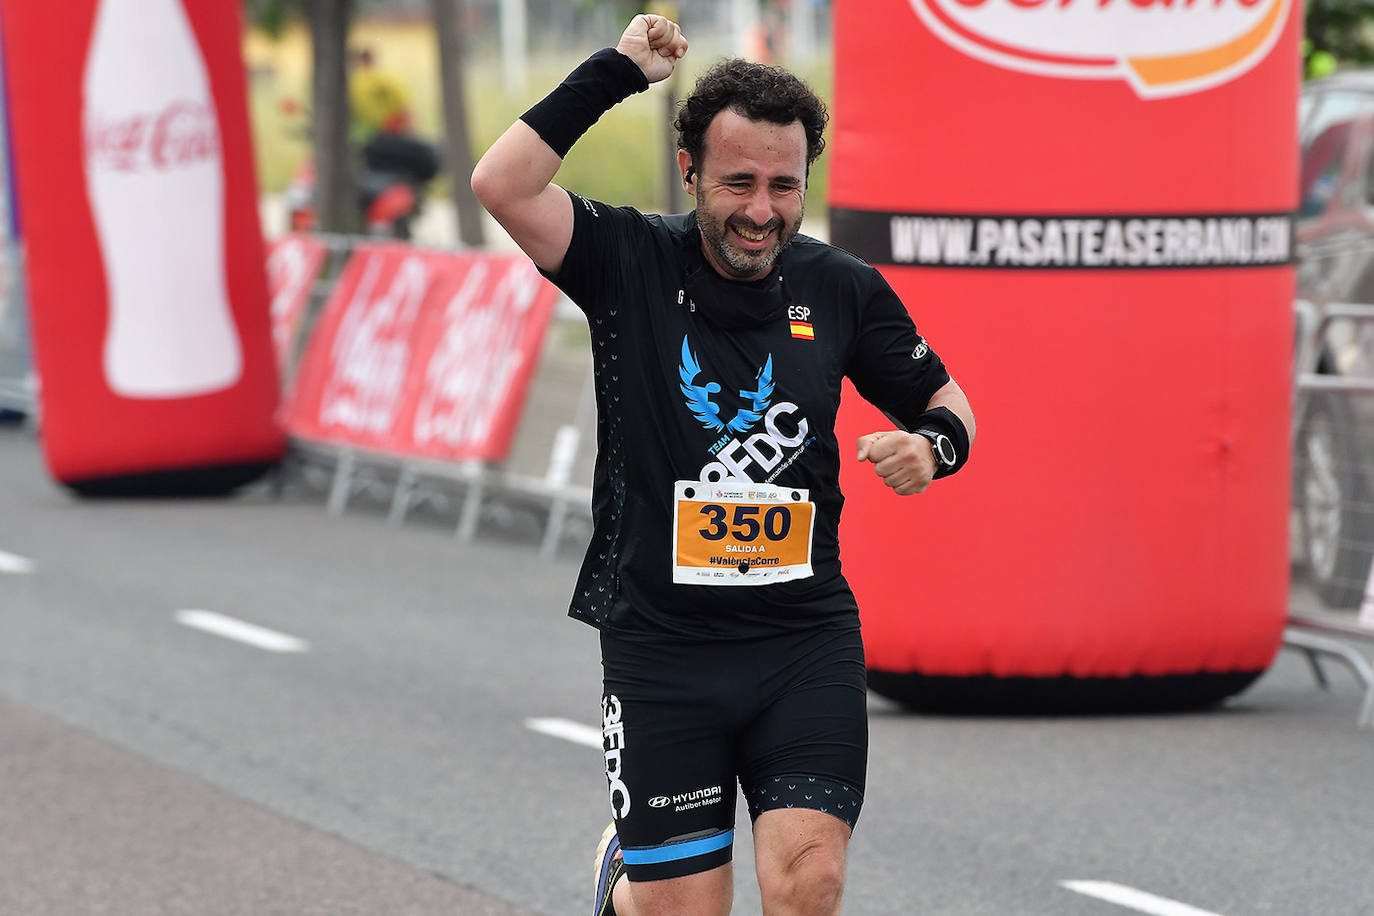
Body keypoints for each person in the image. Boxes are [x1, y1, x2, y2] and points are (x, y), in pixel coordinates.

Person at [471, 15, 975, 916]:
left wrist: (931, 449)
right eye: (738, 181)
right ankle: (626, 882)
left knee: (808, 879)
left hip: (801, 636)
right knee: (685, 910)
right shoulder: (627, 259)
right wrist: (618, 71)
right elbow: (501, 183)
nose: (761, 210)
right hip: (663, 644)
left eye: (785, 186)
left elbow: (948, 403)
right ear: (690, 171)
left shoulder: (841, 288)